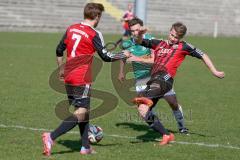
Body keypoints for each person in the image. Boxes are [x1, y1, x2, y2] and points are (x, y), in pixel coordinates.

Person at [41, 3, 129, 156]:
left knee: (83, 112)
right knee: (81, 111)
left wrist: (61, 69)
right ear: (97, 17)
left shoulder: (71, 28)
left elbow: (59, 49)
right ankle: (51, 137)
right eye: (100, 16)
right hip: (82, 77)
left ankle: (85, 147)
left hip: (69, 75)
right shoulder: (94, 33)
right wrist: (123, 55)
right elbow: (106, 57)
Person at [127, 22, 225, 145]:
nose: (173, 39)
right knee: (143, 110)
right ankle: (166, 135)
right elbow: (139, 41)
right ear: (170, 31)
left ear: (181, 38)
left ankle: (146, 98)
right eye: (172, 35)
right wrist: (140, 34)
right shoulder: (159, 43)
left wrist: (214, 71)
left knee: (153, 98)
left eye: (176, 37)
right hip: (153, 80)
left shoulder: (184, 47)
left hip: (165, 79)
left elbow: (202, 55)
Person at [118, 17, 189, 135]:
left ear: (142, 28)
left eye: (137, 30)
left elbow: (154, 60)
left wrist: (136, 58)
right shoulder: (127, 43)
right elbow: (123, 57)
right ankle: (159, 129)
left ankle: (182, 127)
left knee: (173, 103)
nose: (135, 33)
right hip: (140, 80)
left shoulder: (151, 41)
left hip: (157, 78)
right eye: (132, 31)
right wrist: (121, 72)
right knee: (144, 108)